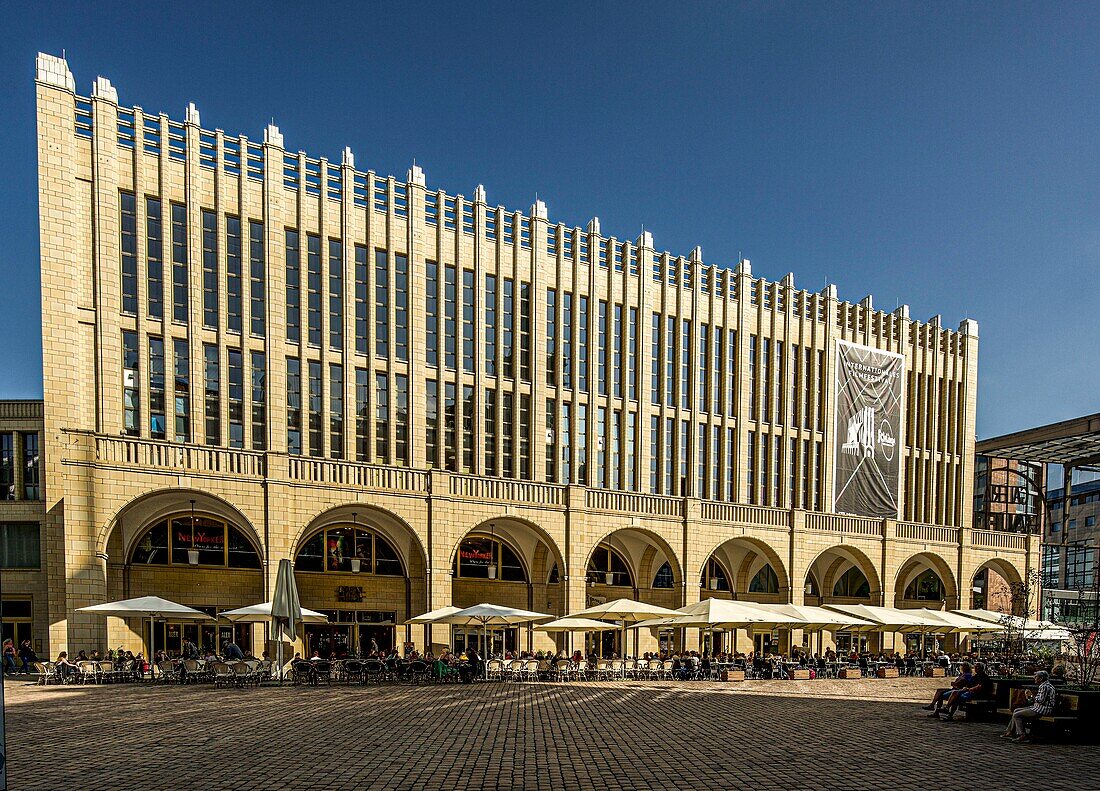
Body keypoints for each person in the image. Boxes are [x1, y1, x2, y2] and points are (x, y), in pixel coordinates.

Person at [1003, 670, 1057, 743]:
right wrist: (1028, 696)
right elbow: (1032, 701)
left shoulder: (1045, 687)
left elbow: (1041, 701)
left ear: (1041, 678)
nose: (1034, 678)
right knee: (1016, 710)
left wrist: (1030, 695)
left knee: (1017, 715)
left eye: (1036, 677)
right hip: (1037, 707)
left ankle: (1022, 735)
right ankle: (1011, 732)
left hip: (1043, 709)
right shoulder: (1043, 686)